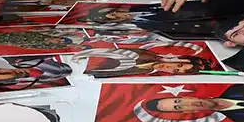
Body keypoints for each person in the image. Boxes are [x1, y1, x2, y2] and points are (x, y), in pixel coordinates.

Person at [80, 47, 215, 78]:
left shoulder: (145, 72)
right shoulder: (146, 54)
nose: (170, 67)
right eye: (178, 65)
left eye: (175, 70)